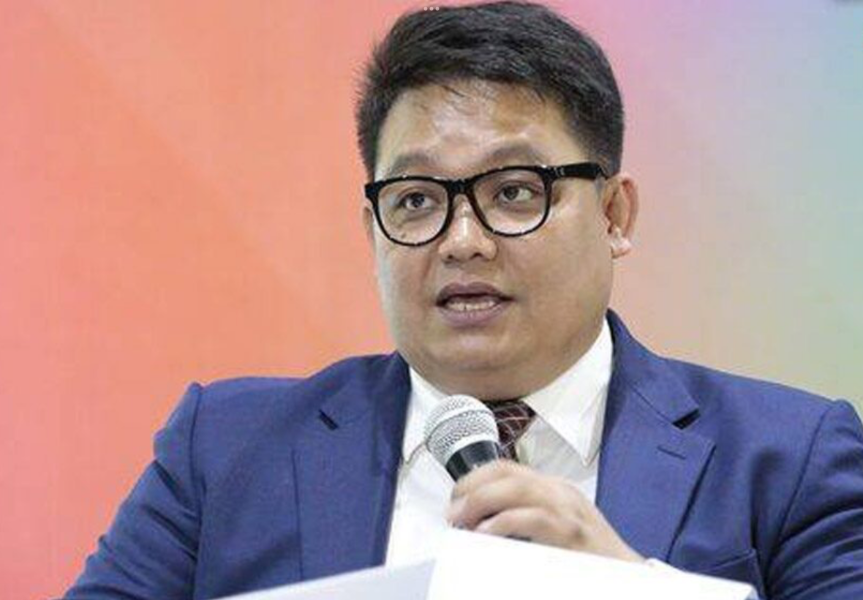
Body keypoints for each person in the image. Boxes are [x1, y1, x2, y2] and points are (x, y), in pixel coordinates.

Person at [64, 2, 863, 599]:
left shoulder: (789, 459)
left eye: (513, 191)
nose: (461, 241)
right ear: (372, 230)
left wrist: (633, 590)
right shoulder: (225, 451)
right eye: (415, 201)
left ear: (614, 215)